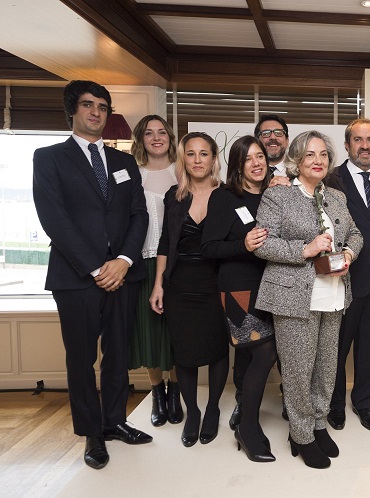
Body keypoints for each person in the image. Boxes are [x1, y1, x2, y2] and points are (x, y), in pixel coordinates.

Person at [32, 80, 152, 470]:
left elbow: (139, 215)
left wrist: (124, 260)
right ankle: (91, 433)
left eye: (102, 106)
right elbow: (54, 219)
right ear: (73, 110)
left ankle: (115, 420)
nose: (96, 113)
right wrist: (98, 266)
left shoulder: (124, 163)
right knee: (81, 359)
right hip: (76, 277)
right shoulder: (49, 158)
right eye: (88, 105)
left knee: (118, 354)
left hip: (123, 274)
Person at [254, 130, 363, 469]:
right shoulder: (279, 196)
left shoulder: (337, 197)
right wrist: (305, 249)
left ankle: (317, 423)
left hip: (333, 295)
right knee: (299, 371)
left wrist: (348, 254)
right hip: (294, 297)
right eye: (310, 155)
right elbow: (261, 243)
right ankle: (300, 435)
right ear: (297, 160)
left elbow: (356, 234)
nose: (318, 161)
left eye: (323, 155)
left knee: (326, 368)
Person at [201, 135, 277, 462]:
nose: (256, 163)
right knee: (264, 355)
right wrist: (242, 246)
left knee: (252, 357)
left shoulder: (276, 195)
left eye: (260, 156)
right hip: (239, 289)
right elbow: (208, 247)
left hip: (274, 288)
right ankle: (247, 427)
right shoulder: (224, 197)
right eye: (248, 159)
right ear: (238, 165)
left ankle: (245, 417)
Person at [150, 132, 228, 447]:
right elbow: (165, 243)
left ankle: (212, 411)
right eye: (191, 154)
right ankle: (192, 412)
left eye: (204, 154)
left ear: (213, 158)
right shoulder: (174, 196)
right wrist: (158, 284)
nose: (197, 160)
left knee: (218, 348)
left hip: (217, 283)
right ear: (185, 159)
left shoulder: (227, 195)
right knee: (184, 351)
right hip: (180, 282)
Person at [325, 119, 370, 432]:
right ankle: (334, 404)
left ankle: (363, 402)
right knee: (336, 347)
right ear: (348, 144)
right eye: (358, 139)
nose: (365, 146)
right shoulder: (331, 178)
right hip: (345, 279)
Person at [128, 115, 183, 427]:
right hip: (143, 261)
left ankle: (176, 391)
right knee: (148, 330)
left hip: (177, 263)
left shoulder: (183, 172)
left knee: (174, 332)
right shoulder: (133, 175)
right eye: (149, 133)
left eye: (162, 132)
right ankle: (156, 394)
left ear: (170, 137)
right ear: (141, 139)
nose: (157, 137)